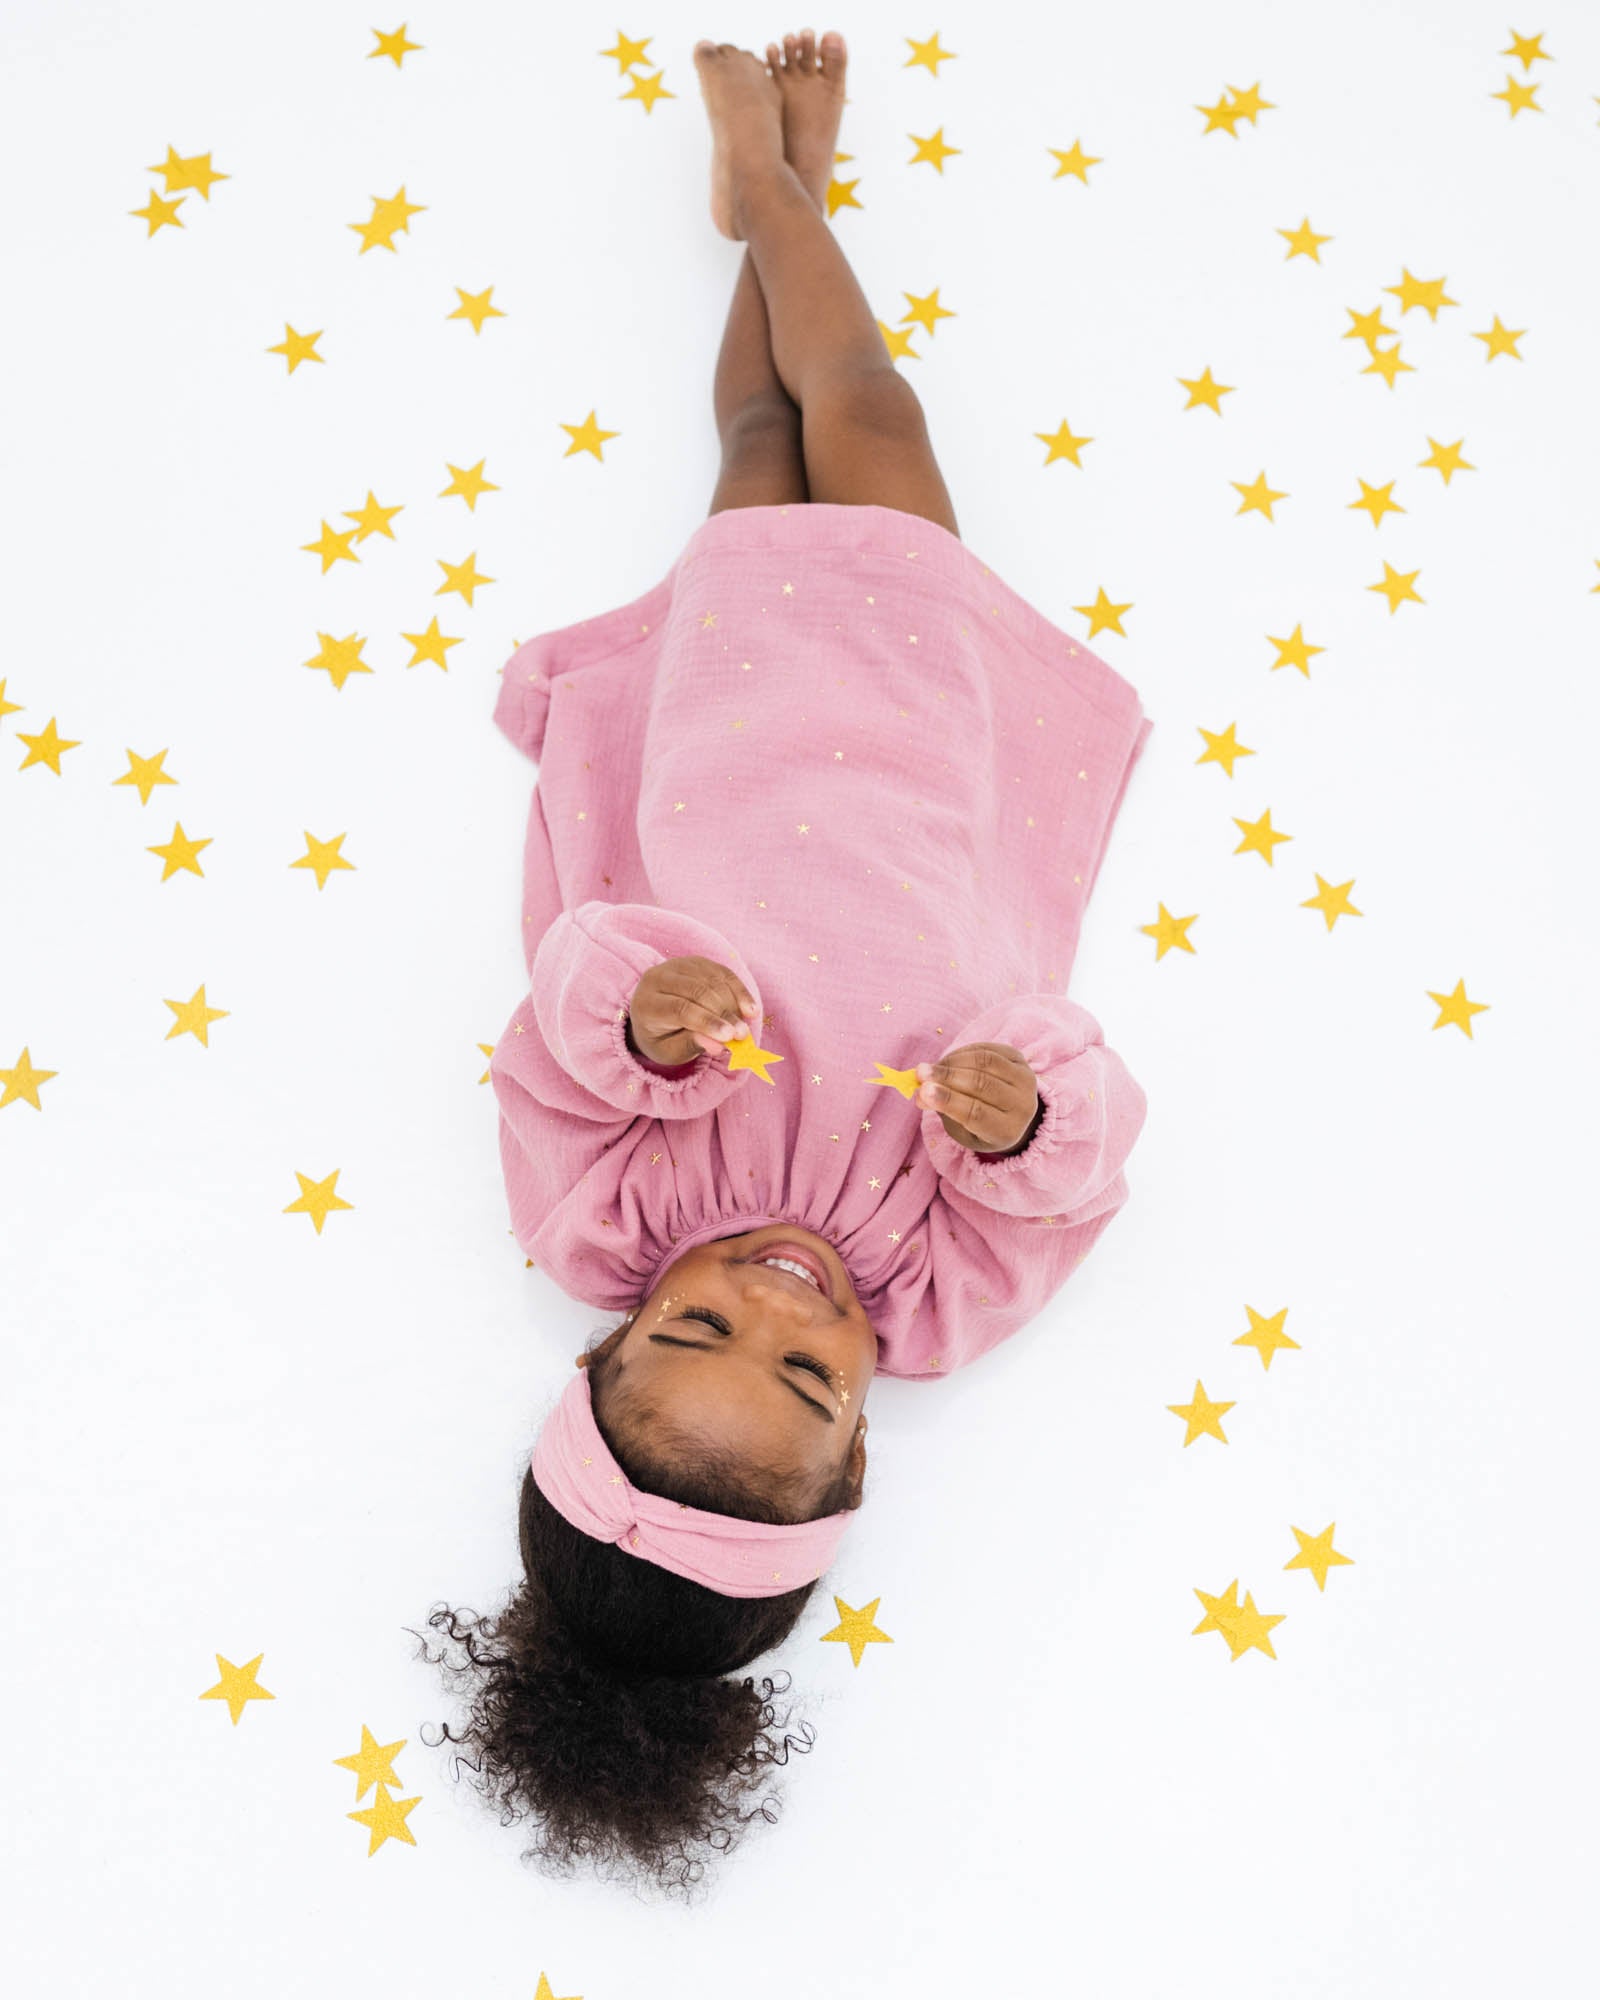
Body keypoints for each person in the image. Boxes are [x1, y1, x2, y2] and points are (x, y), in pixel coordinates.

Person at [419, 30, 1154, 1900]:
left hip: (733, 744)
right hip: (919, 760)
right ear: (857, 1450)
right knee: (879, 426)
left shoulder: (597, 1217)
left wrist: (643, 1014)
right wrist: (1020, 1119)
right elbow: (1095, 1142)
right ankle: (778, 196)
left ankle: (769, 196)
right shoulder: (944, 1292)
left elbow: (553, 1016)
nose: (774, 1296)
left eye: (693, 1333)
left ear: (606, 1335)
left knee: (759, 446)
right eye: (814, 1376)